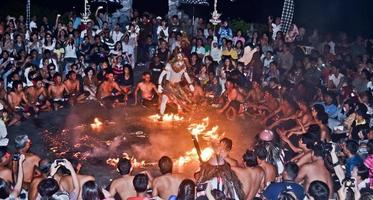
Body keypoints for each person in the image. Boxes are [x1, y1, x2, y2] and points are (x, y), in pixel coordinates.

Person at [158, 52, 194, 118]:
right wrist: (159, 85)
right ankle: (161, 115)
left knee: (180, 100)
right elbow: (162, 74)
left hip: (177, 85)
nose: (179, 57)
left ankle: (180, 112)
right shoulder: (169, 65)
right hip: (169, 85)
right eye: (178, 56)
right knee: (164, 99)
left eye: (181, 56)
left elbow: (186, 75)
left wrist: (190, 84)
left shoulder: (183, 66)